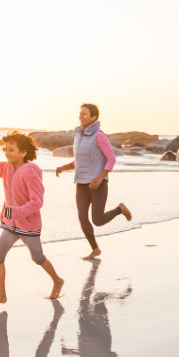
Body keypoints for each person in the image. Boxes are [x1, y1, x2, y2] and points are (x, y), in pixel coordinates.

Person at [0, 131, 64, 304]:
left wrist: (16, 212)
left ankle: (57, 280)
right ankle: (1, 295)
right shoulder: (6, 167)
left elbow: (37, 202)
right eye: (5, 149)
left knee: (38, 258)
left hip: (28, 226)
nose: (7, 153)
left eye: (11, 150)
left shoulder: (30, 172)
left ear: (23, 152)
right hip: (10, 225)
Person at [54, 103, 132, 260]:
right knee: (82, 217)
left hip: (98, 184)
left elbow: (111, 158)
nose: (81, 116)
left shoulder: (99, 135)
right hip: (81, 184)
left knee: (97, 220)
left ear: (93, 117)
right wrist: (64, 167)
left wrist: (100, 177)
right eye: (80, 113)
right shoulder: (78, 136)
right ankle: (95, 249)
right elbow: (79, 161)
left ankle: (120, 209)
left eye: (84, 114)